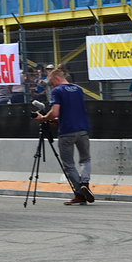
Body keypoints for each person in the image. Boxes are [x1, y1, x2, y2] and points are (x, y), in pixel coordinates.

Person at [33, 68, 95, 206]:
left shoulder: (57, 91)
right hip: (83, 129)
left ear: (57, 79)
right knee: (85, 159)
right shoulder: (78, 89)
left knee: (69, 164)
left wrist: (43, 118)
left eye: (51, 83)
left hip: (67, 131)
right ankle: (85, 182)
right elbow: (73, 110)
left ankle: (79, 193)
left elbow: (54, 111)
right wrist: (60, 119)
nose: (51, 86)